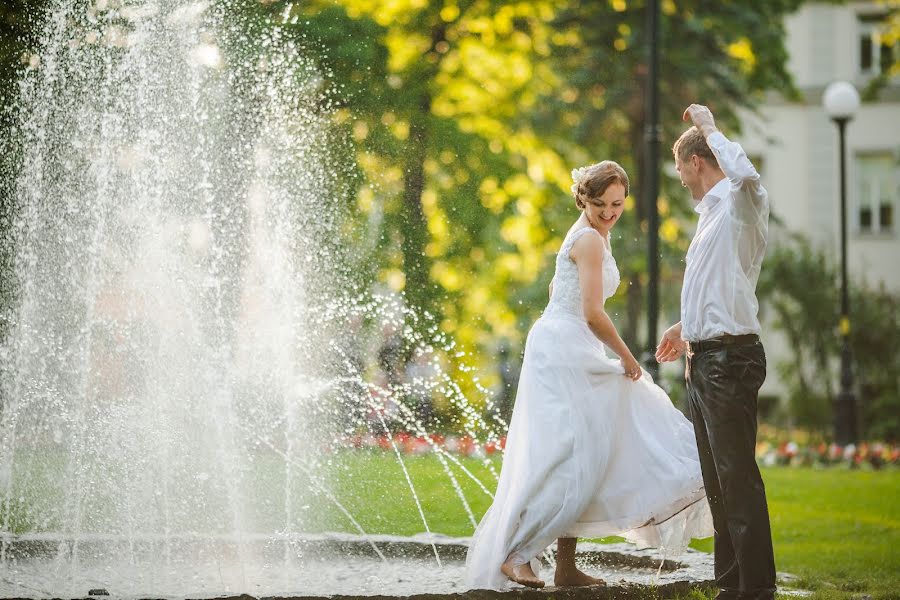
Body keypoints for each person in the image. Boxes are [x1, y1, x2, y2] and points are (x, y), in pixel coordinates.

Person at [465, 161, 713, 591]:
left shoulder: (592, 234)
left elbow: (558, 293)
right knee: (570, 457)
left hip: (566, 344)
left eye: (617, 204)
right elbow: (593, 313)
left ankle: (564, 568)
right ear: (583, 198)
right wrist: (627, 358)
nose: (610, 211)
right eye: (600, 204)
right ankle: (516, 554)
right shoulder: (589, 240)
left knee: (586, 452)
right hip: (565, 349)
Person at [656, 104, 775, 600]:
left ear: (696, 162)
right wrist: (686, 327)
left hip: (731, 360)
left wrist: (707, 126)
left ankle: (756, 590)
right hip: (704, 359)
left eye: (681, 168)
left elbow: (747, 174)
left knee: (736, 477)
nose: (680, 180)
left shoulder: (740, 202)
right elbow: (726, 286)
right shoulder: (710, 218)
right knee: (717, 481)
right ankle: (730, 586)